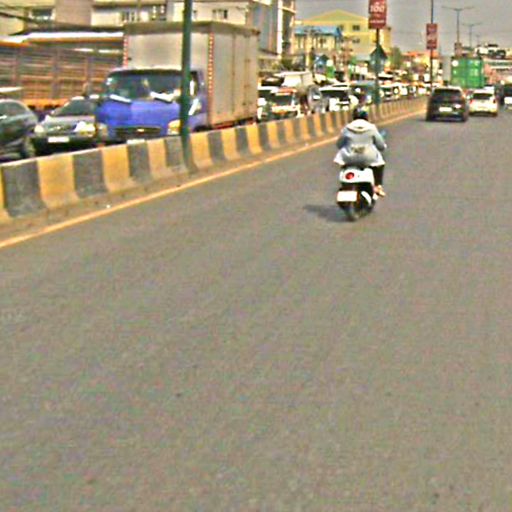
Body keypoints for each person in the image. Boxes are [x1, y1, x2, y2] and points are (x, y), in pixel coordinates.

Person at [334, 107, 388, 197]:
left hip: (349, 157)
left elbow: (339, 144)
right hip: (368, 157)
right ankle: (378, 186)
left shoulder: (347, 128)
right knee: (380, 162)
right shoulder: (371, 128)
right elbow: (380, 145)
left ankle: (344, 184)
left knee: (343, 165)